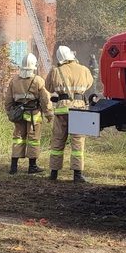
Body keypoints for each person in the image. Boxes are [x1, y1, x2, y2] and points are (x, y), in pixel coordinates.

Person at [45, 46, 94, 182]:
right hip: (79, 109)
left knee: (58, 140)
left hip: (62, 110)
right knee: (78, 142)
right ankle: (77, 175)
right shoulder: (84, 69)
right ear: (71, 55)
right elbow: (89, 83)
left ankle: (54, 173)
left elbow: (48, 87)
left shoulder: (56, 71)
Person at [4, 52, 52, 175]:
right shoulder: (38, 80)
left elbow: (8, 99)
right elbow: (45, 99)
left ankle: (13, 167)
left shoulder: (14, 80)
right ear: (34, 66)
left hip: (19, 114)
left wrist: (10, 112)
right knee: (33, 139)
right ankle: (32, 166)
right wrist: (48, 114)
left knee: (18, 138)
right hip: (33, 115)